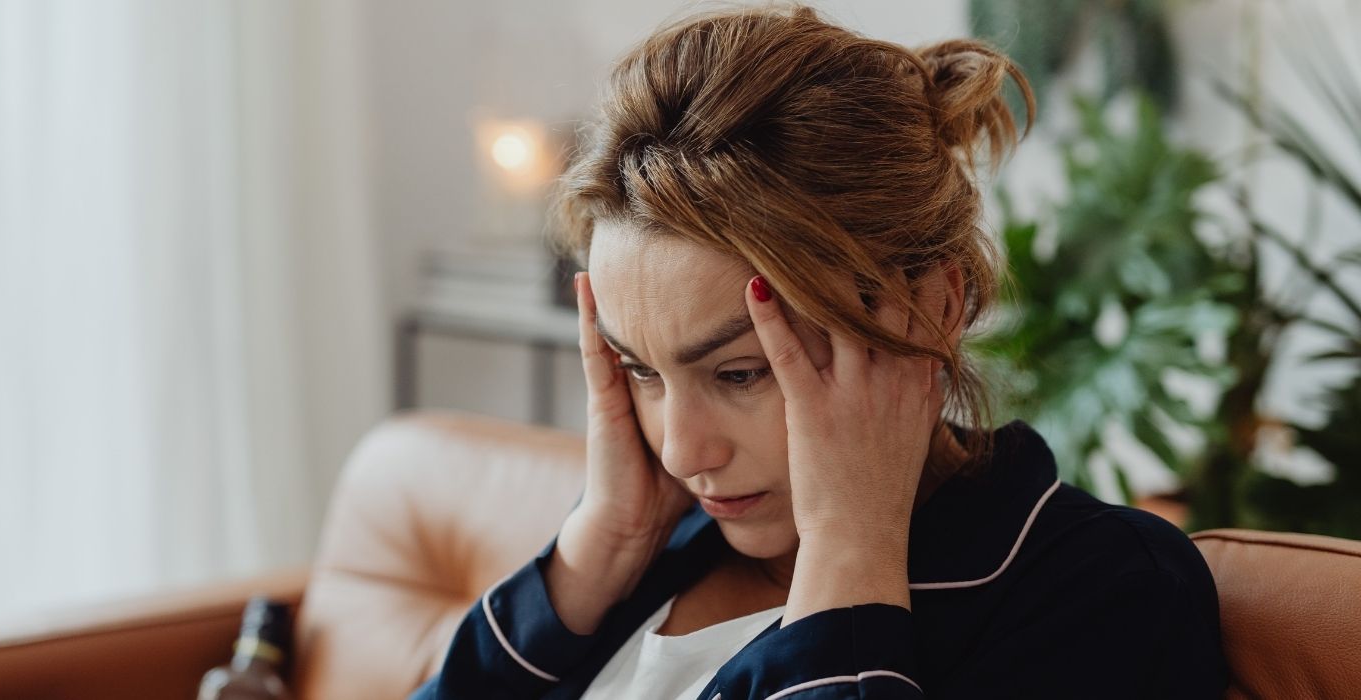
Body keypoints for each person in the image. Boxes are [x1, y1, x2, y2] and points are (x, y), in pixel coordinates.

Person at [410, 4, 1228, 698]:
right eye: (642, 370)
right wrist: (601, 552)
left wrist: (851, 557)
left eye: (741, 372)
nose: (686, 451)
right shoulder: (660, 552)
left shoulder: (1100, 591)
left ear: (928, 309)